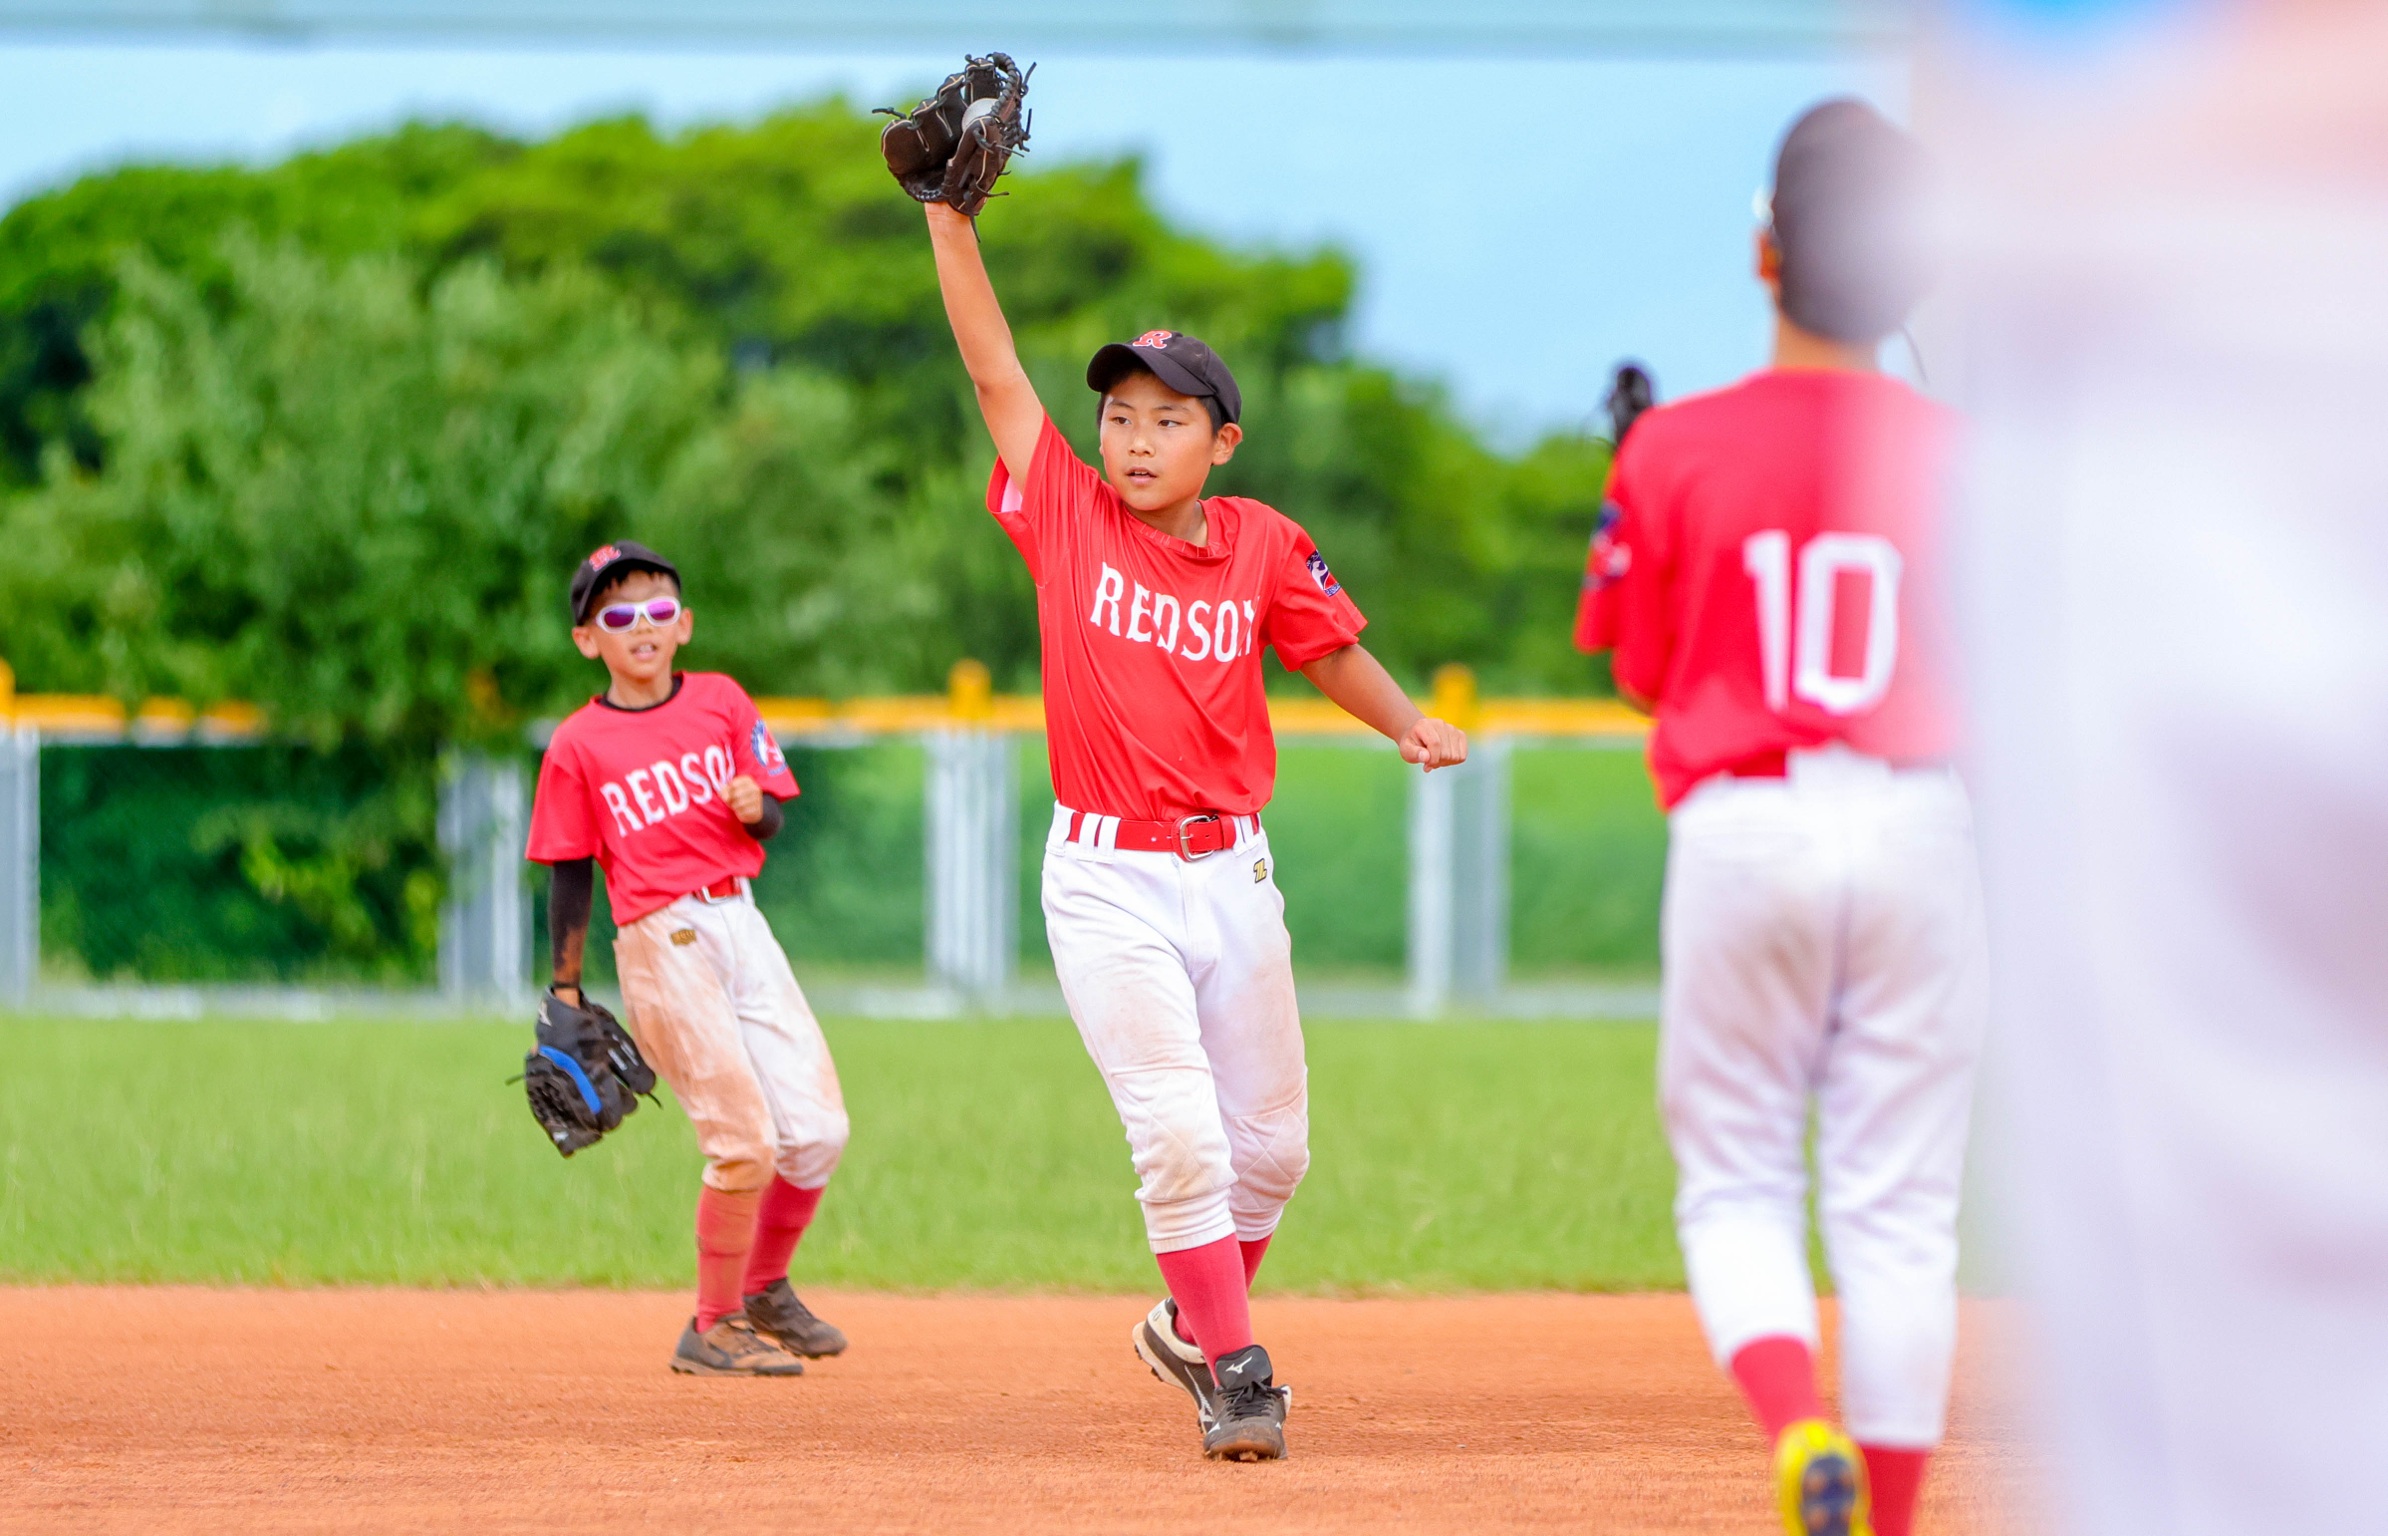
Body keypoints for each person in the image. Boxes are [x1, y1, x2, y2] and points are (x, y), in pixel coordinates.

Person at [913, 197, 1468, 1461]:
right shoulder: (1066, 513)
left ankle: (1185, 1325)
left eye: (1168, 419)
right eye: (1119, 414)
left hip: (1234, 875)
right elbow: (994, 369)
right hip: (1107, 879)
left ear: (1223, 442)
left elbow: (1328, 647)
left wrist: (1406, 723)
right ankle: (1236, 1370)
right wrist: (949, 219)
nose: (1135, 438)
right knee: (1178, 1134)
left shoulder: (1263, 542)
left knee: (1272, 1154)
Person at [1574, 100, 1972, 1536]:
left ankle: (1802, 1428)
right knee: (1900, 1213)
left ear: (1767, 252)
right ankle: (1892, 1516)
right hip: (1921, 824)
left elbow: (1639, 667)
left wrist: (1641, 488)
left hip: (1746, 825)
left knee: (1739, 1179)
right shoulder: (1964, 453)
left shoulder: (1677, 445)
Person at [525, 540, 851, 1377]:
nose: (642, 625)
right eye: (617, 614)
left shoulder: (721, 702)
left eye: (658, 609)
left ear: (685, 625)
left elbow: (771, 817)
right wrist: (565, 989)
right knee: (743, 1142)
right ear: (588, 640)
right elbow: (570, 869)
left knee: (818, 1132)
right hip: (660, 939)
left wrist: (754, 809)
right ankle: (712, 1324)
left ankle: (763, 1287)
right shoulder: (578, 744)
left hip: (742, 922)